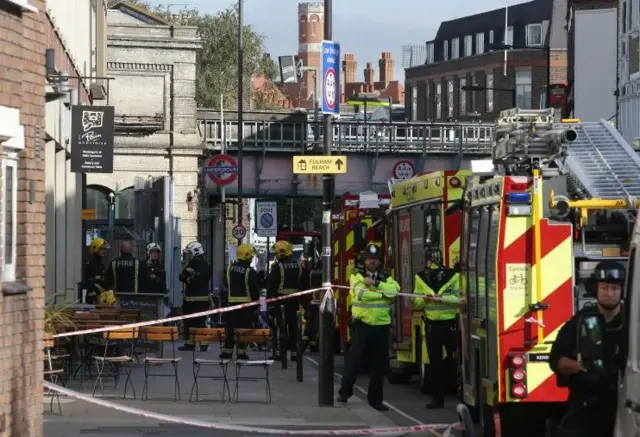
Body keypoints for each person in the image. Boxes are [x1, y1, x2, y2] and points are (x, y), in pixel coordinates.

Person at [549, 260, 626, 437]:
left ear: (622, 291)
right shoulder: (579, 322)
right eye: (604, 288)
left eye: (614, 289)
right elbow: (557, 360)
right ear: (595, 290)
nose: (609, 293)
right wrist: (580, 366)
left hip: (625, 404)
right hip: (588, 404)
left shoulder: (632, 323)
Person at [337, 243, 399, 411]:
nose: (372, 262)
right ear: (365, 260)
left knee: (379, 366)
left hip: (381, 327)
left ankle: (376, 400)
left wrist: (376, 285)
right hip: (362, 326)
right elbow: (360, 294)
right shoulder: (356, 276)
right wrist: (381, 293)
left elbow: (394, 291)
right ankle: (345, 391)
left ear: (379, 261)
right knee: (354, 361)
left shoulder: (386, 277)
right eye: (369, 259)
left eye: (375, 259)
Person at [411, 252, 461, 409]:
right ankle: (437, 399)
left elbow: (461, 299)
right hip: (432, 325)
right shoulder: (420, 278)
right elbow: (416, 301)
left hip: (451, 324)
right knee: (434, 364)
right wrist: (424, 299)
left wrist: (441, 298)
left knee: (456, 361)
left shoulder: (454, 277)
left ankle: (461, 395)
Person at [220, 244, 261, 359]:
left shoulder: (230, 269)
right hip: (246, 306)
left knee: (230, 329)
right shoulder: (250, 271)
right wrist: (255, 304)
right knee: (243, 330)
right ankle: (241, 352)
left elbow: (226, 284)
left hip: (231, 305)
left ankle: (227, 352)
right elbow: (254, 290)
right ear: (247, 256)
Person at [267, 240, 305, 361]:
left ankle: (279, 352)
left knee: (280, 327)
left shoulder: (277, 267)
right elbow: (303, 284)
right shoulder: (298, 265)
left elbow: (271, 284)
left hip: (280, 302)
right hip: (294, 301)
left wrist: (270, 302)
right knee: (294, 327)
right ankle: (295, 353)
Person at [178, 241, 212, 352]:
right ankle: (190, 343)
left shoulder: (205, 266)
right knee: (189, 322)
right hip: (189, 300)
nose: (189, 255)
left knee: (200, 322)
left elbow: (198, 281)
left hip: (200, 300)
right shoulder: (191, 263)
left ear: (195, 252)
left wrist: (191, 277)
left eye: (190, 253)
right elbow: (181, 276)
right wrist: (188, 277)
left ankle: (203, 344)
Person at [84, 238, 111, 304]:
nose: (104, 251)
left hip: (101, 297)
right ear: (96, 249)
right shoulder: (92, 265)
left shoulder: (101, 265)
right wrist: (93, 299)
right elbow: (90, 283)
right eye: (102, 249)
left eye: (104, 249)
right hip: (94, 299)